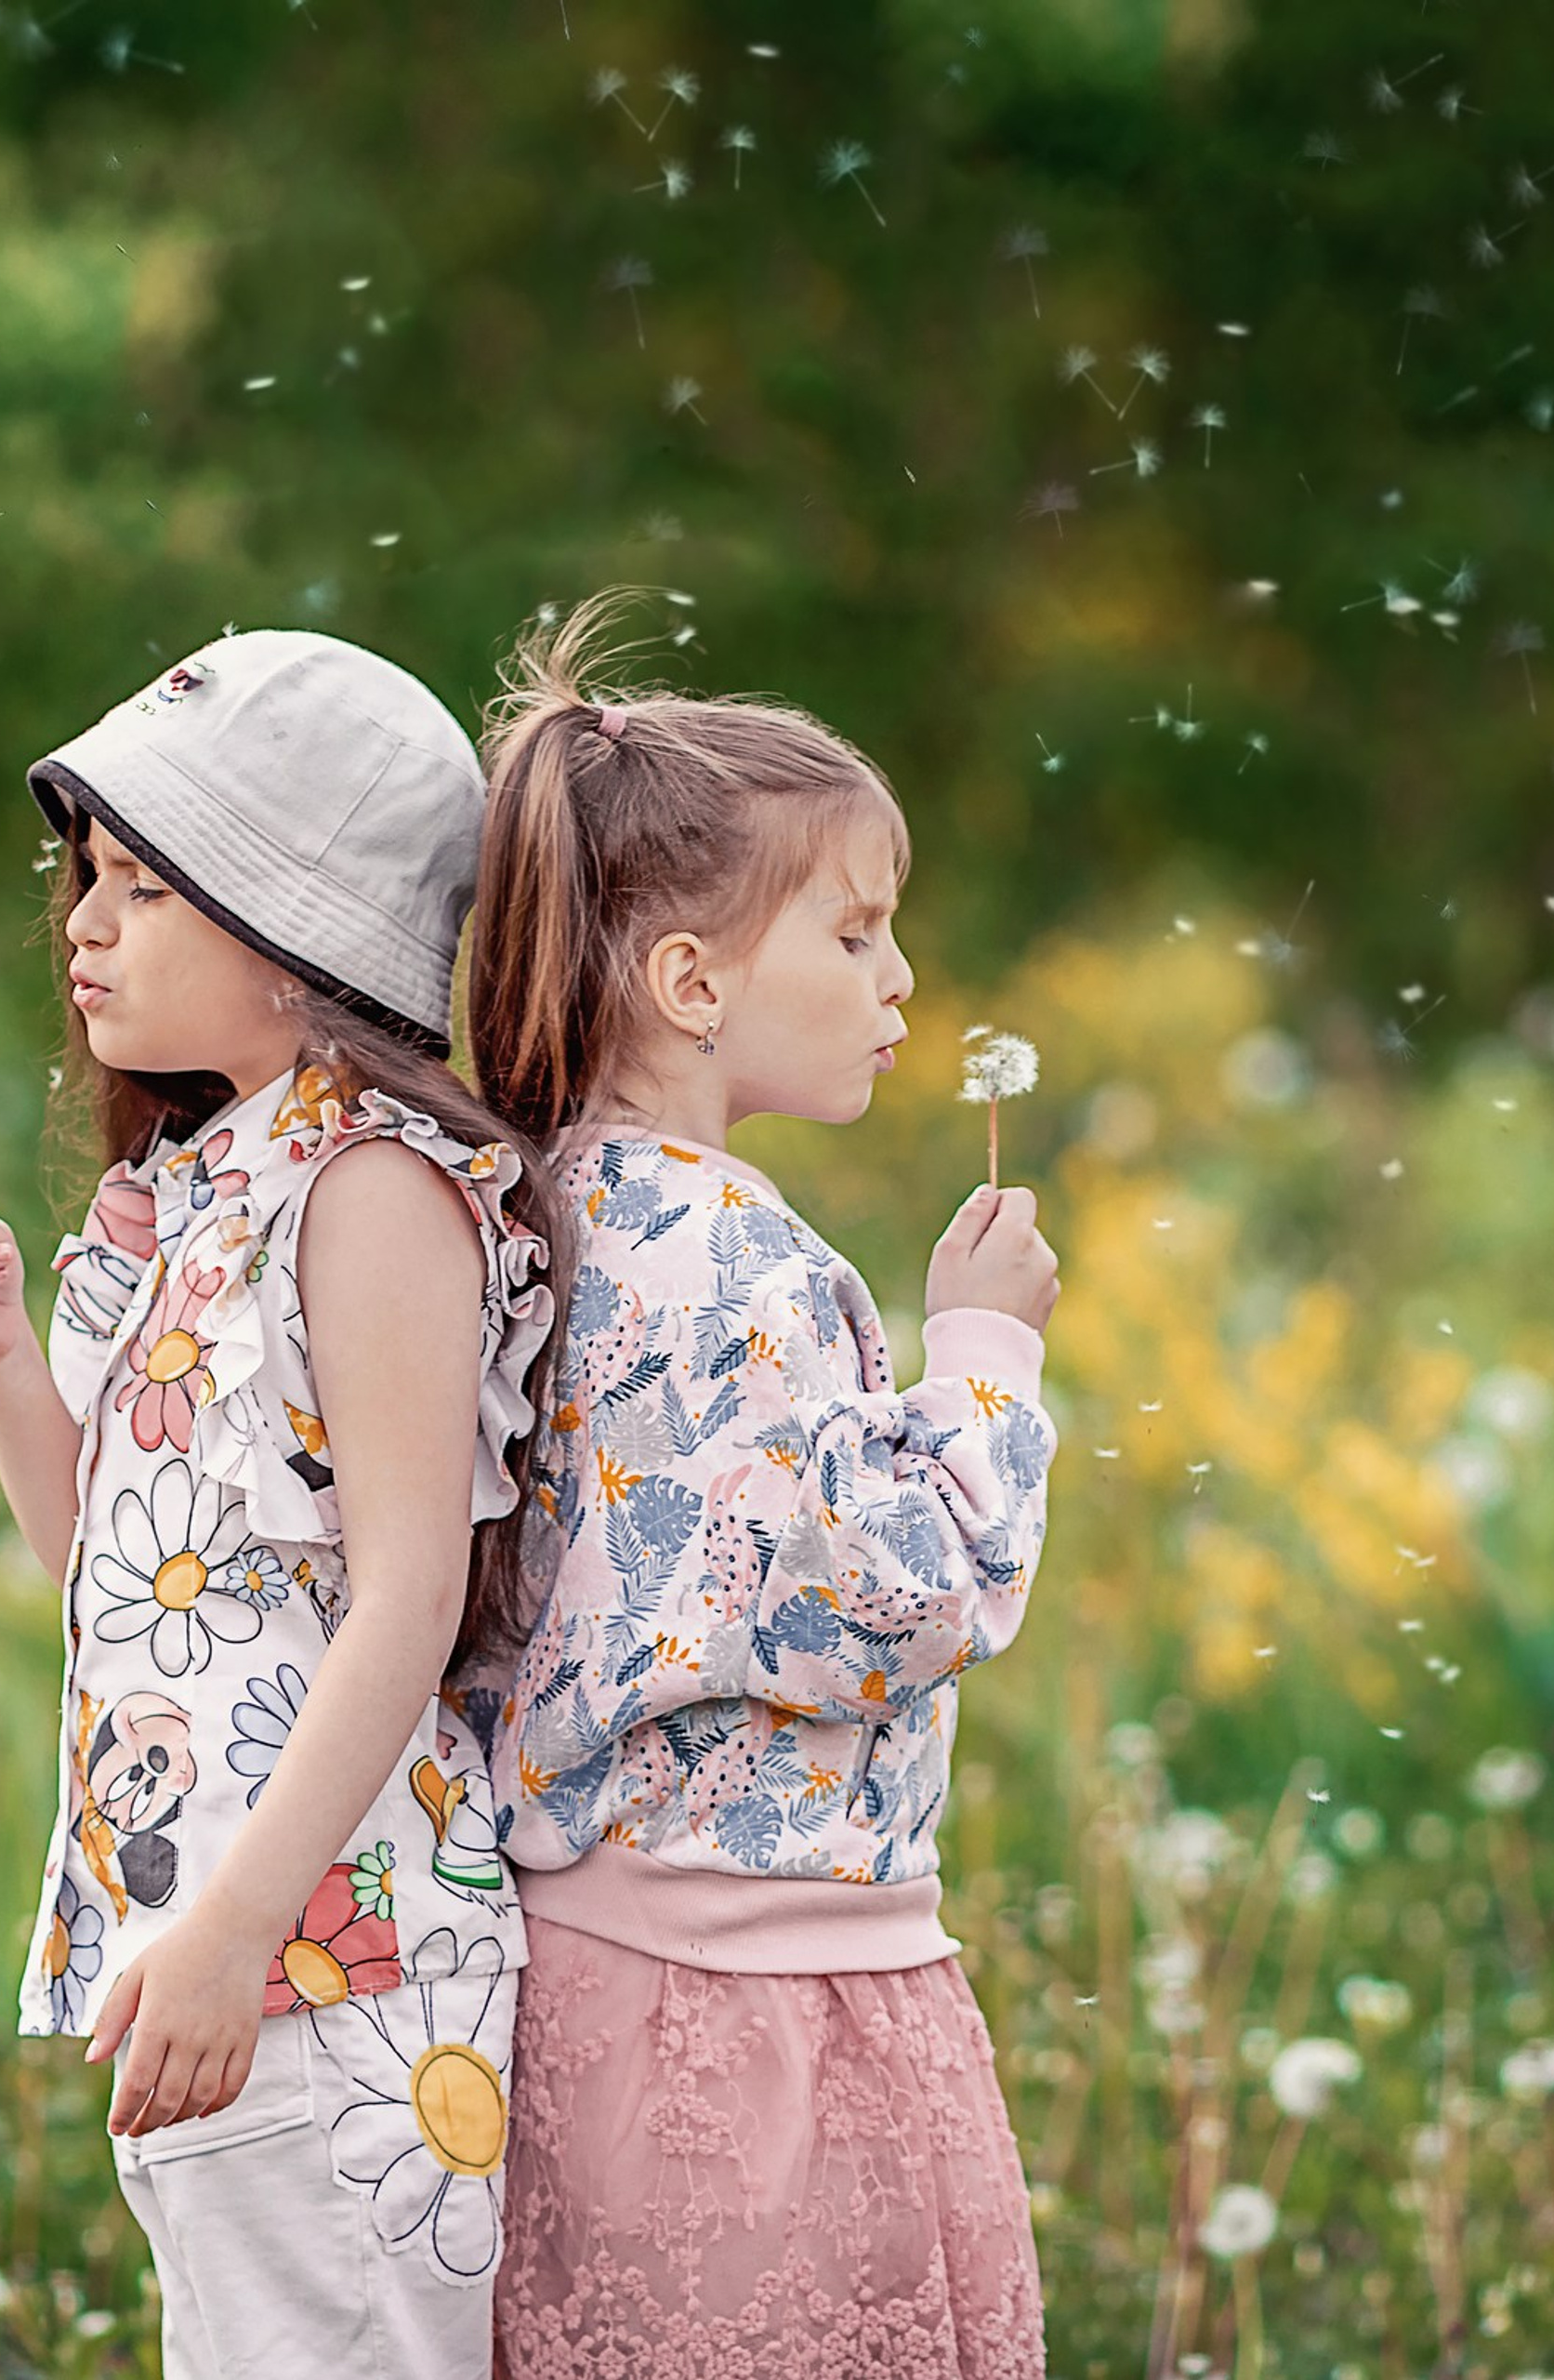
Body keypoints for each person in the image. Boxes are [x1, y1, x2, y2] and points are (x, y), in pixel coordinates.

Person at [0, 628, 560, 2379]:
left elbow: (409, 1594)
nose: (85, 926)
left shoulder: (371, 1187)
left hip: (331, 1966)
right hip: (205, 1960)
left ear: (300, 928)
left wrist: (233, 1930)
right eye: (86, 883)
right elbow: (107, 1577)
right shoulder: (195, 1185)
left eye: (144, 888)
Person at [463, 590, 1061, 2380]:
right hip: (761, 2001)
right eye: (860, 933)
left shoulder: (534, 1208)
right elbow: (899, 1598)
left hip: (574, 1989)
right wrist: (983, 1353)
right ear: (694, 981)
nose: (898, 984)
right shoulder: (735, 1254)